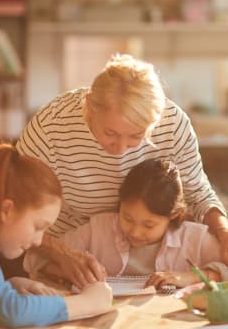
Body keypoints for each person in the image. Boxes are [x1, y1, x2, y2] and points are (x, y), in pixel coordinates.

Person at [16, 53, 228, 287]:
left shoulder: (173, 124)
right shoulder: (51, 126)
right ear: (89, 108)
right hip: (65, 252)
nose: (120, 149)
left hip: (141, 263)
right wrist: (60, 252)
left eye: (136, 136)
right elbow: (13, 207)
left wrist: (223, 231)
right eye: (110, 133)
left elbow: (198, 194)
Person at [24, 159, 228, 289]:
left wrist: (191, 277)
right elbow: (33, 258)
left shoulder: (194, 238)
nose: (135, 232)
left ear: (173, 216)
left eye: (149, 225)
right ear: (119, 204)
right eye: (127, 218)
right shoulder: (98, 230)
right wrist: (68, 272)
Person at [0, 144, 112, 327]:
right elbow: (13, 311)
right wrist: (87, 303)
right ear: (6, 210)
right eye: (38, 226)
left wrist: (9, 286)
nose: (39, 241)